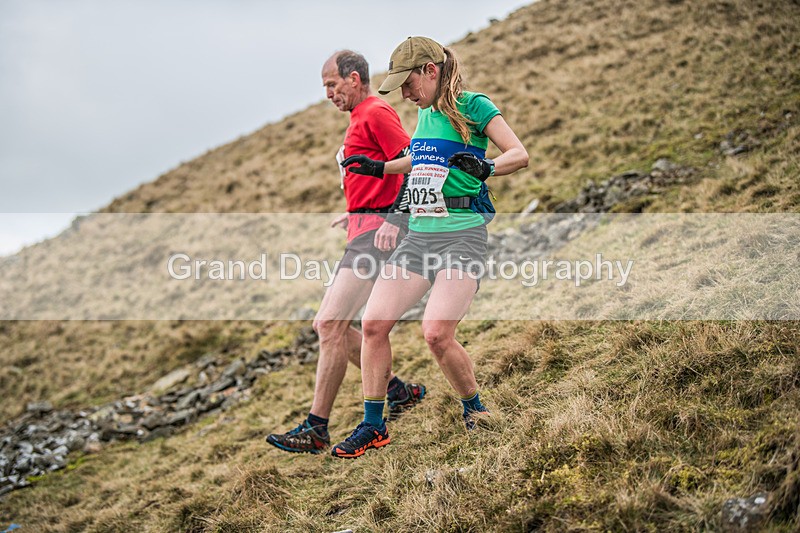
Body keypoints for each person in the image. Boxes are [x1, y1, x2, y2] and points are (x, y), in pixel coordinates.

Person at [331, 37, 529, 458]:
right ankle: (373, 425)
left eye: (408, 83)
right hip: (419, 235)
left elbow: (519, 154)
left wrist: (489, 166)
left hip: (462, 234)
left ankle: (475, 408)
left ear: (431, 71)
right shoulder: (424, 113)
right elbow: (421, 159)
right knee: (372, 325)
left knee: (437, 334)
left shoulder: (474, 106)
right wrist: (379, 167)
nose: (405, 93)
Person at [266, 50, 426, 454]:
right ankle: (398, 392)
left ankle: (317, 428)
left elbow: (414, 163)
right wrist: (355, 211)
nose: (327, 94)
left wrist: (394, 218)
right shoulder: (360, 117)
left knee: (329, 325)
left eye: (332, 85)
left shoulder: (375, 111)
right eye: (325, 87)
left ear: (354, 78)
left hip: (377, 234)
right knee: (335, 327)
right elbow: (375, 173)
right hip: (363, 228)